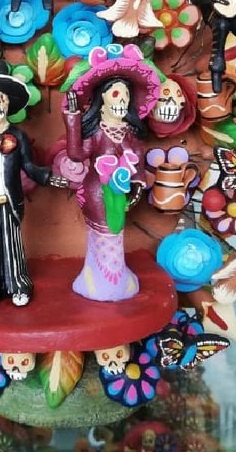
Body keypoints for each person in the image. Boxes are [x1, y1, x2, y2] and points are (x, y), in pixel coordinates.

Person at [0, 60, 68, 309]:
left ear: (8, 103)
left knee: (12, 245)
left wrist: (48, 177)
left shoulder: (18, 136)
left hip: (10, 202)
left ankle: (19, 285)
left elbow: (29, 166)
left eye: (1, 99)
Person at [62, 44, 160, 302]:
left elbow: (137, 162)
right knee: (105, 232)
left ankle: (115, 279)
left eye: (126, 95)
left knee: (117, 232)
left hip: (121, 192)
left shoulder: (130, 133)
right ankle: (101, 280)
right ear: (102, 99)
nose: (122, 100)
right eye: (116, 94)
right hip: (97, 192)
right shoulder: (96, 132)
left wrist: (137, 186)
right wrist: (72, 119)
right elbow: (77, 154)